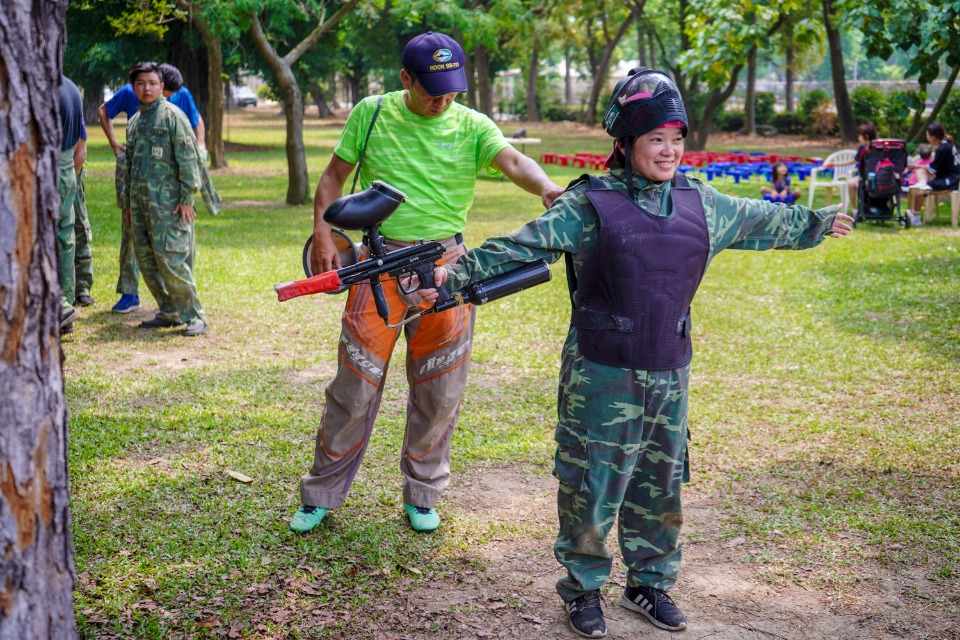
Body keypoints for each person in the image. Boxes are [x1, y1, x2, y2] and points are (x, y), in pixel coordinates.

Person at [416, 68, 853, 637]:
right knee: (592, 483)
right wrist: (451, 275)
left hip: (669, 372)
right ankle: (582, 591)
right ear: (624, 145)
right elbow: (521, 245)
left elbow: (765, 218)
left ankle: (649, 584)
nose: (669, 150)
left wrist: (816, 223)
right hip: (600, 373)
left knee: (660, 483)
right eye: (655, 139)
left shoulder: (704, 205)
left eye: (676, 138)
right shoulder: (590, 205)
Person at [290, 31, 564, 535]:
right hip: (378, 265)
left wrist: (546, 187)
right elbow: (332, 177)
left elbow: (513, 161)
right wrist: (322, 231)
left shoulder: (472, 125)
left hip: (447, 268)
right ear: (404, 80)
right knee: (353, 385)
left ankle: (423, 493)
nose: (442, 101)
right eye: (431, 90)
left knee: (440, 388)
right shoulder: (371, 114)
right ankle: (322, 493)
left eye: (451, 91)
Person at [98, 62, 208, 315]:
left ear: (161, 87)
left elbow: (188, 160)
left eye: (152, 83)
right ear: (132, 87)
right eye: (140, 83)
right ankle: (169, 312)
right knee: (147, 264)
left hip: (169, 207)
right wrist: (127, 205)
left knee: (172, 262)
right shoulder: (135, 121)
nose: (146, 88)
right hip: (139, 207)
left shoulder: (172, 117)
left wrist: (186, 199)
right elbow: (129, 168)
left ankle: (193, 316)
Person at [57, 75, 88, 333]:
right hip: (67, 169)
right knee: (65, 235)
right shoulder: (72, 88)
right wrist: (68, 176)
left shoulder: (35, 87)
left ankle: (54, 304)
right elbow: (82, 148)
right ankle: (65, 302)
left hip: (41, 167)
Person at [908, 122, 960, 219]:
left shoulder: (943, 148)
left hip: (950, 181)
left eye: (927, 135)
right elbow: (933, 168)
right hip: (949, 177)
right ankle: (922, 183)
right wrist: (918, 167)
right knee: (920, 176)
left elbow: (932, 169)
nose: (926, 137)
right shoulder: (948, 144)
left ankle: (915, 216)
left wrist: (916, 166)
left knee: (921, 188)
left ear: (933, 137)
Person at [847, 122, 877, 209]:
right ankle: (854, 209)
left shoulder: (878, 148)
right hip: (865, 177)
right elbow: (854, 160)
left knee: (855, 184)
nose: (858, 137)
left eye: (860, 135)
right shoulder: (862, 148)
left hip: (874, 177)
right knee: (851, 184)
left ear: (866, 136)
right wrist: (836, 164)